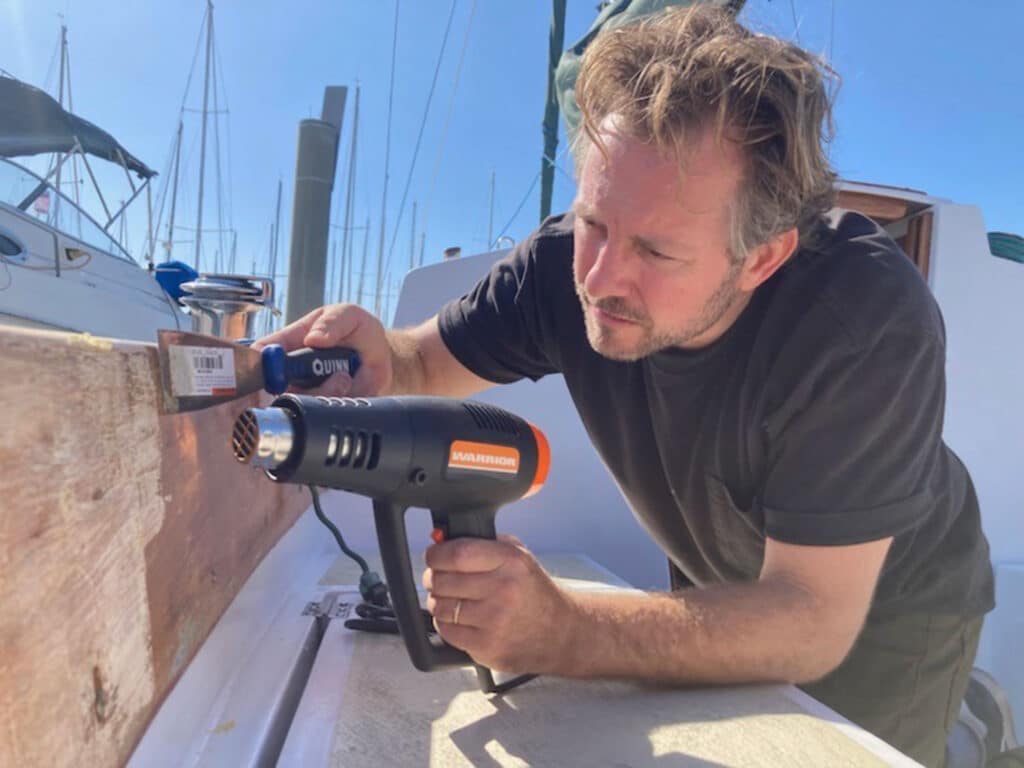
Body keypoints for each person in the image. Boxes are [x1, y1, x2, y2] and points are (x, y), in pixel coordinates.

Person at [257, 7, 993, 765]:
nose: (600, 280)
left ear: (762, 259)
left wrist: (565, 631)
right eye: (593, 223)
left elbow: (808, 619)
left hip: (883, 618)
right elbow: (417, 364)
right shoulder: (562, 270)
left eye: (656, 250)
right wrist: (380, 354)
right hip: (727, 573)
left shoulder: (861, 324)